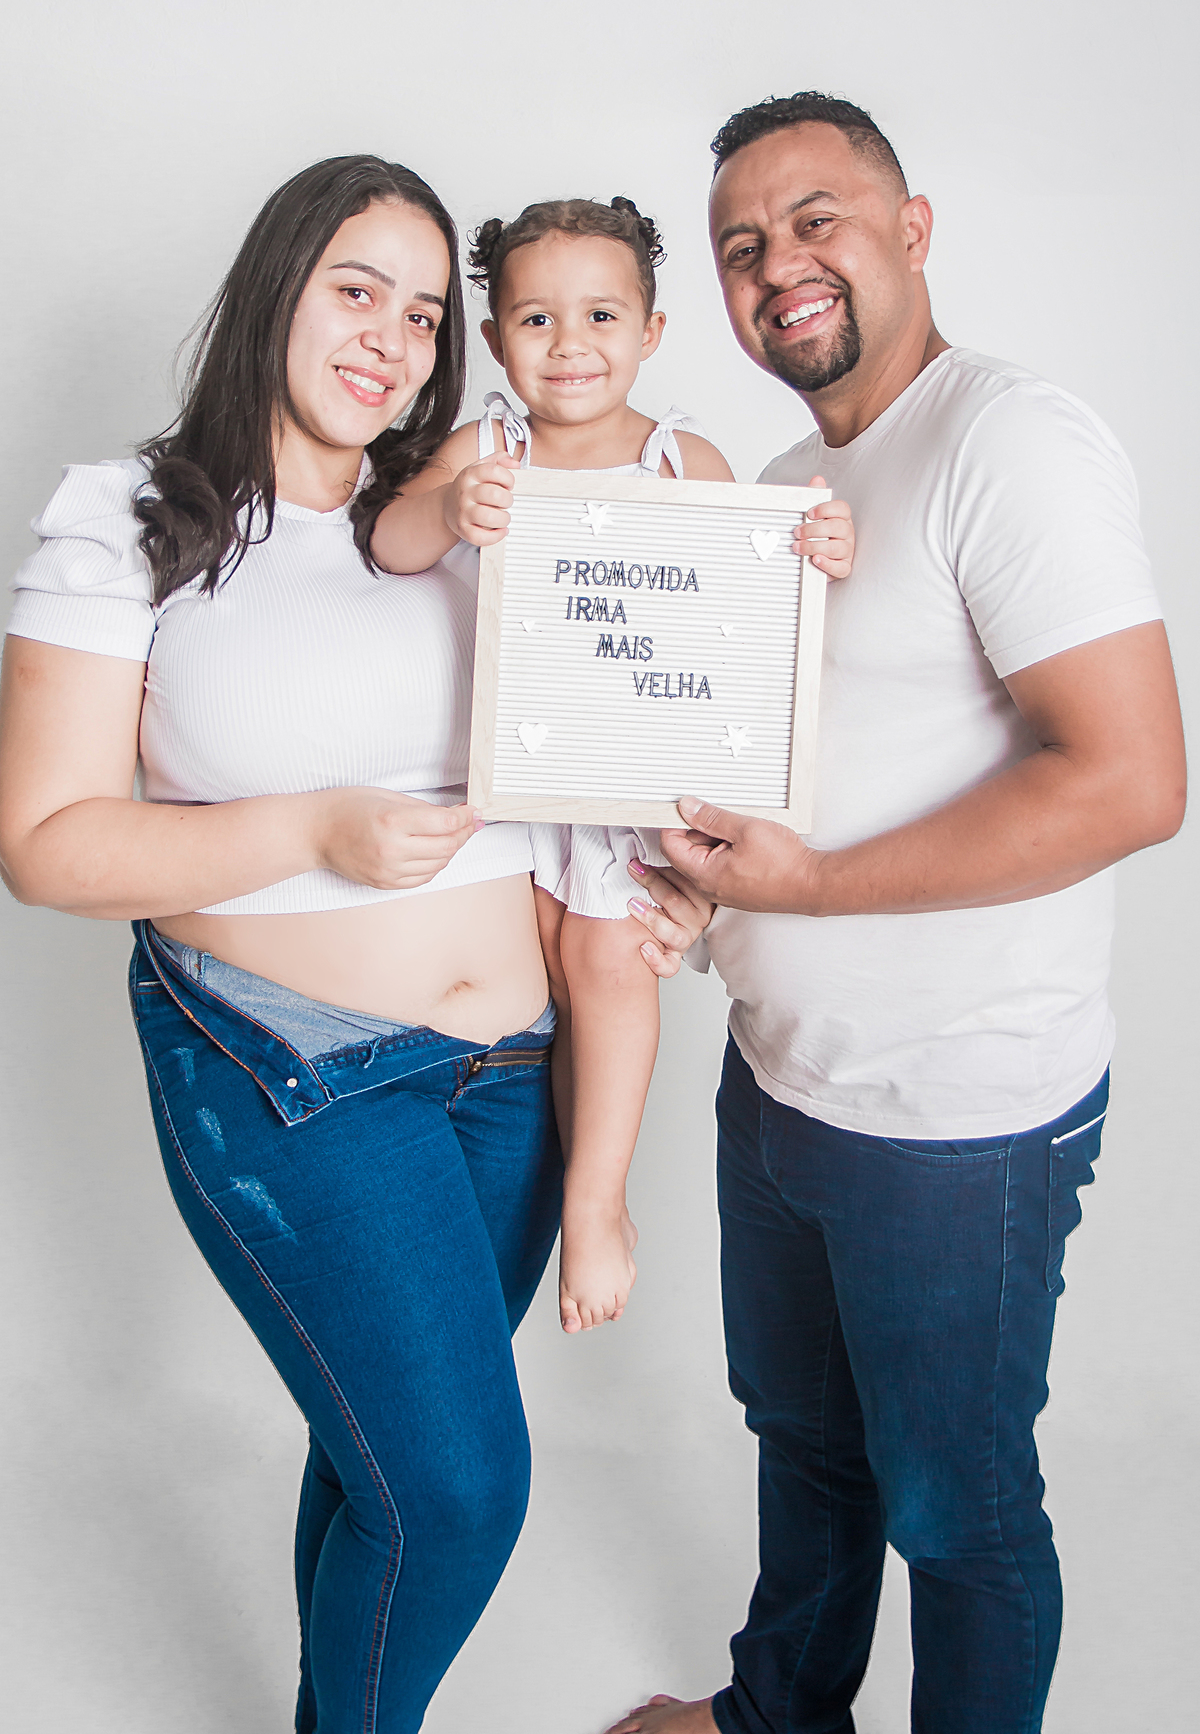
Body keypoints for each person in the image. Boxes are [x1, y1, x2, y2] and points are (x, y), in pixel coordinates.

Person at [605, 94, 1186, 1734]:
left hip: (955, 1121)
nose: (778, 264)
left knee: (957, 1514)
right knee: (805, 1444)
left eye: (817, 220)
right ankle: (777, 1717)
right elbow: (799, 776)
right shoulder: (792, 488)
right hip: (781, 1082)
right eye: (741, 247)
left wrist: (807, 888)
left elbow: (1132, 781)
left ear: (912, 228)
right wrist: (697, 896)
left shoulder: (1012, 440)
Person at [1, 153, 575, 1734]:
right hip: (295, 1076)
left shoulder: (462, 518)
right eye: (356, 290)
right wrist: (312, 832)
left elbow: (575, 748)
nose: (392, 337)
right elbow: (45, 845)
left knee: (379, 1459)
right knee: (456, 1493)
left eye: (423, 313)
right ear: (277, 287)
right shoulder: (131, 521)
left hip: (519, 1077)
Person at [369, 193, 856, 1338]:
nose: (569, 344)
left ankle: (599, 1201)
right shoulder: (484, 450)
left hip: (622, 765)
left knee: (608, 963)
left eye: (600, 316)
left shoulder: (681, 457)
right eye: (535, 319)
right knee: (540, 987)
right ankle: (545, 1194)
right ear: (495, 340)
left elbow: (750, 601)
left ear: (651, 331)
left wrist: (814, 553)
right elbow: (387, 543)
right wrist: (448, 508)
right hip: (502, 768)